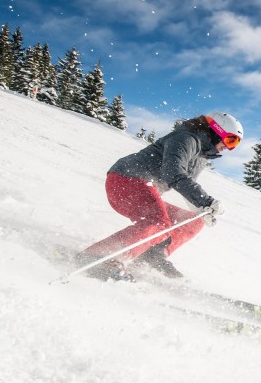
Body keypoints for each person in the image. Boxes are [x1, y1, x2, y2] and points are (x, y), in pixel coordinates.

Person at [76, 112, 243, 281]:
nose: (229, 148)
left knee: (194, 221)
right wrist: (205, 200)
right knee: (158, 222)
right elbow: (173, 173)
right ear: (216, 130)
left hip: (143, 188)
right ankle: (99, 257)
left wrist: (203, 210)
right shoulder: (186, 139)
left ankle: (152, 255)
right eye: (230, 140)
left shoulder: (200, 156)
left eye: (235, 144)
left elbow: (185, 185)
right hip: (126, 180)